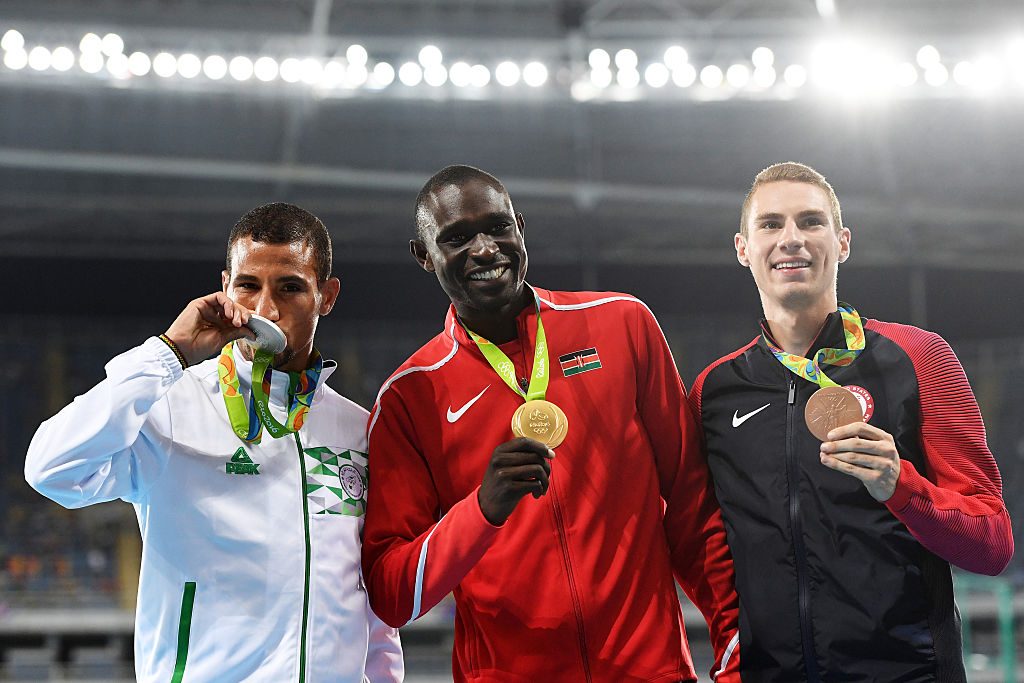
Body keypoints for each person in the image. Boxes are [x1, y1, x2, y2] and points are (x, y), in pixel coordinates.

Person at [361, 165, 740, 682]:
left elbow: (694, 509)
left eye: (498, 228)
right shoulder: (411, 396)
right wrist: (481, 511)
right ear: (424, 256)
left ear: (521, 227)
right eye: (457, 238)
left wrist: (734, 645)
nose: (485, 249)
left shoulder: (622, 324)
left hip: (651, 671)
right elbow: (391, 593)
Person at [25, 203, 403, 682]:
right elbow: (50, 469)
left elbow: (369, 602)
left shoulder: (359, 431)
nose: (265, 309)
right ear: (225, 286)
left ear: (326, 296)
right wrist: (168, 354)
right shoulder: (168, 405)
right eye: (248, 285)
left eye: (290, 287)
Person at [688, 161, 1014, 681]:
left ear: (841, 243)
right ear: (742, 249)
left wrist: (901, 486)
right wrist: (731, 650)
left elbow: (992, 543)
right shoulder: (714, 392)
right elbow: (705, 542)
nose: (791, 238)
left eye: (810, 222)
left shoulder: (918, 357)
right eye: (770, 224)